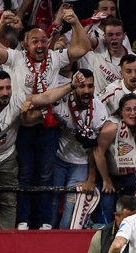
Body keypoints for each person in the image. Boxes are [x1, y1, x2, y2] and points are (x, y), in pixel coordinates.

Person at [0, 10, 90, 230]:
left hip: (47, 127)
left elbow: (83, 48)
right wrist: (0, 24)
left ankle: (44, 222)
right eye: (34, 41)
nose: (40, 44)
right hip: (22, 126)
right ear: (24, 45)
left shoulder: (55, 57)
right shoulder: (15, 57)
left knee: (45, 176)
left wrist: (75, 23)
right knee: (24, 176)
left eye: (44, 40)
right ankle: (23, 221)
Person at [50, 69, 109, 229]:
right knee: (53, 203)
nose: (87, 91)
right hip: (58, 160)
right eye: (82, 86)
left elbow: (95, 148)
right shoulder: (60, 103)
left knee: (71, 207)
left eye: (90, 86)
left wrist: (91, 179)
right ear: (74, 87)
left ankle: (63, 244)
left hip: (81, 163)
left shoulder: (99, 111)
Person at [92, 93, 136, 224]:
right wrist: (106, 180)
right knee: (107, 213)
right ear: (121, 111)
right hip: (110, 175)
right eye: (128, 109)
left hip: (131, 175)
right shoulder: (112, 126)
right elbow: (98, 152)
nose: (133, 113)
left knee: (132, 213)